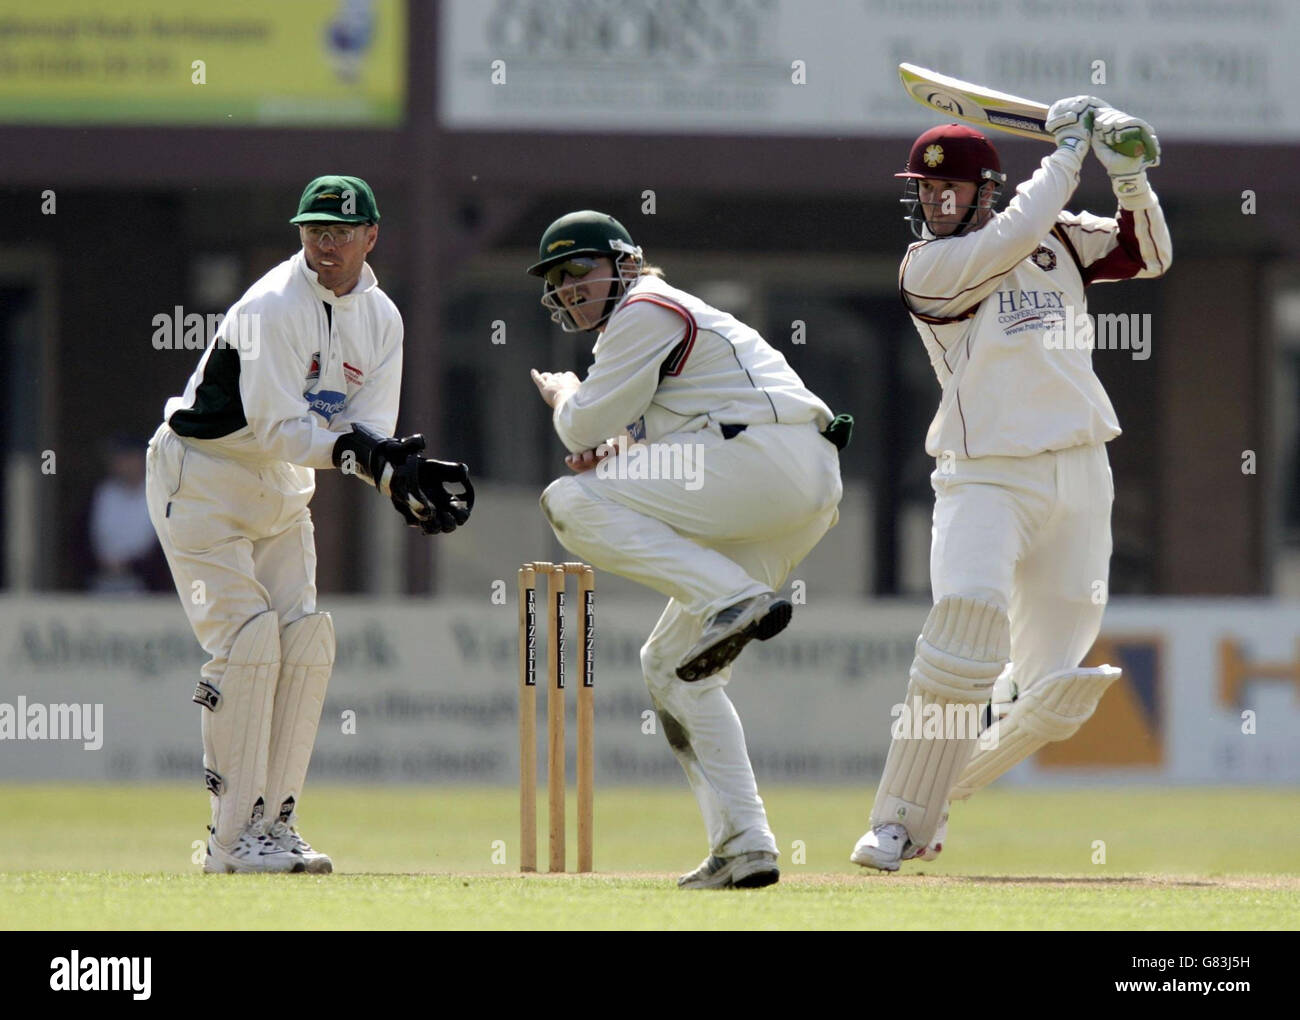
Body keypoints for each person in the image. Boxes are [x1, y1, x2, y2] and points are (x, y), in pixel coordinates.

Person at [850, 100, 1172, 871]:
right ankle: (894, 824)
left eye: (950, 191)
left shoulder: (1056, 234)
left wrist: (1130, 177)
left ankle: (930, 804)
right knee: (964, 629)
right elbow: (1016, 235)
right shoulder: (927, 267)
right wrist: (1069, 155)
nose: (934, 202)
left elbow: (1146, 254)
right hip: (985, 474)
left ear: (984, 190)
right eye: (925, 192)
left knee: (1046, 693)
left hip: (1081, 471)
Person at [145, 175, 473, 874]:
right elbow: (275, 427)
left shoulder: (383, 320)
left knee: (306, 641)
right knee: (250, 643)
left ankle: (277, 825)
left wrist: (396, 477)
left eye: (340, 231)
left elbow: (367, 434)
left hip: (283, 486)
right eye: (314, 230)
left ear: (370, 236)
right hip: (202, 475)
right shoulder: (271, 306)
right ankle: (230, 842)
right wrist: (360, 454)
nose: (325, 245)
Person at [528, 210, 848, 889]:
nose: (568, 286)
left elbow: (579, 424)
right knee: (672, 668)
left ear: (626, 261)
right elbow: (651, 434)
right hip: (783, 481)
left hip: (765, 459)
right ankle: (744, 843)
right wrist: (618, 448)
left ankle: (732, 598)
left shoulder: (643, 308)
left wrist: (567, 396)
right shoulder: (647, 325)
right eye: (558, 278)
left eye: (580, 269)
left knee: (567, 502)